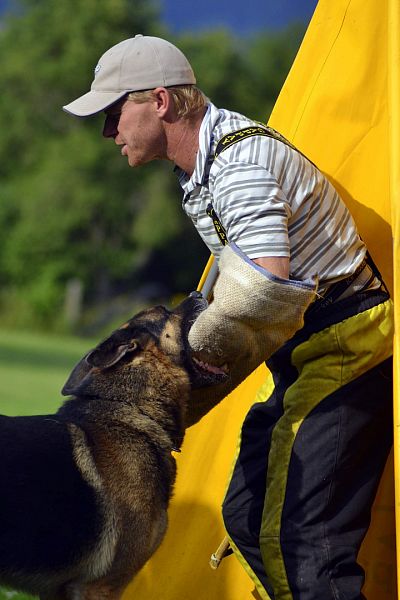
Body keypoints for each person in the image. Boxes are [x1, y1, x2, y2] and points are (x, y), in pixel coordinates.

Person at [63, 35, 394, 600]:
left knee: (305, 544)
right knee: (243, 517)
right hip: (311, 350)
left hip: (347, 345)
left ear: (160, 102)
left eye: (114, 113)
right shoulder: (207, 165)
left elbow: (261, 288)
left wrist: (179, 369)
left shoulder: (237, 163)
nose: (108, 132)